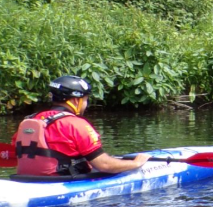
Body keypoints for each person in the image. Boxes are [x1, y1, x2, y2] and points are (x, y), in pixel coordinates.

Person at [12, 75, 151, 177]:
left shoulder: (29, 121)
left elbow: (15, 155)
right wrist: (135, 164)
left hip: (29, 180)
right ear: (75, 100)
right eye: (85, 100)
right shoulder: (76, 124)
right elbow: (104, 165)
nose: (86, 104)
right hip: (61, 182)